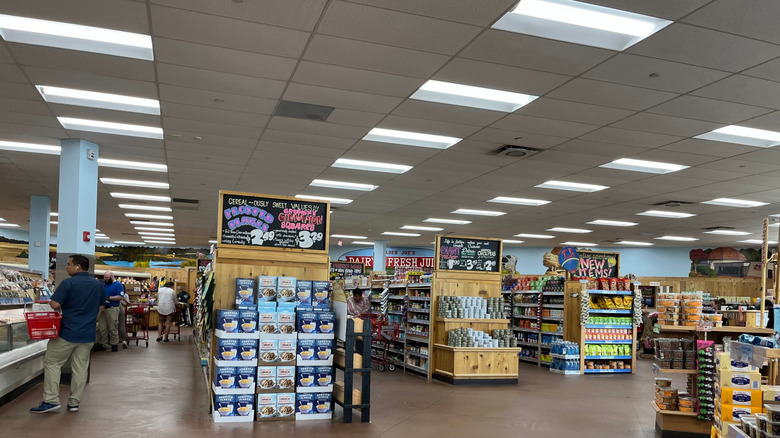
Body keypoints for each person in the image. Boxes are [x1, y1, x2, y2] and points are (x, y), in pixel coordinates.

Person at [31, 254, 105, 413]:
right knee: (80, 368)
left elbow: (55, 304)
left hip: (67, 332)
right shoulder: (98, 285)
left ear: (77, 266)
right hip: (87, 334)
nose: (66, 267)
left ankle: (51, 400)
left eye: (69, 264)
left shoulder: (68, 283)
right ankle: (74, 403)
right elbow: (101, 308)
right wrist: (90, 322)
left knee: (52, 363)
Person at [96, 270, 124, 352]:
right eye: (104, 278)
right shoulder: (103, 283)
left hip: (113, 308)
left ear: (112, 276)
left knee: (113, 327)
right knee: (102, 327)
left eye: (107, 278)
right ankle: (104, 343)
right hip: (103, 308)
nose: (105, 279)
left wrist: (109, 298)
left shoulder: (118, 285)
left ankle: (114, 343)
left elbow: (121, 297)